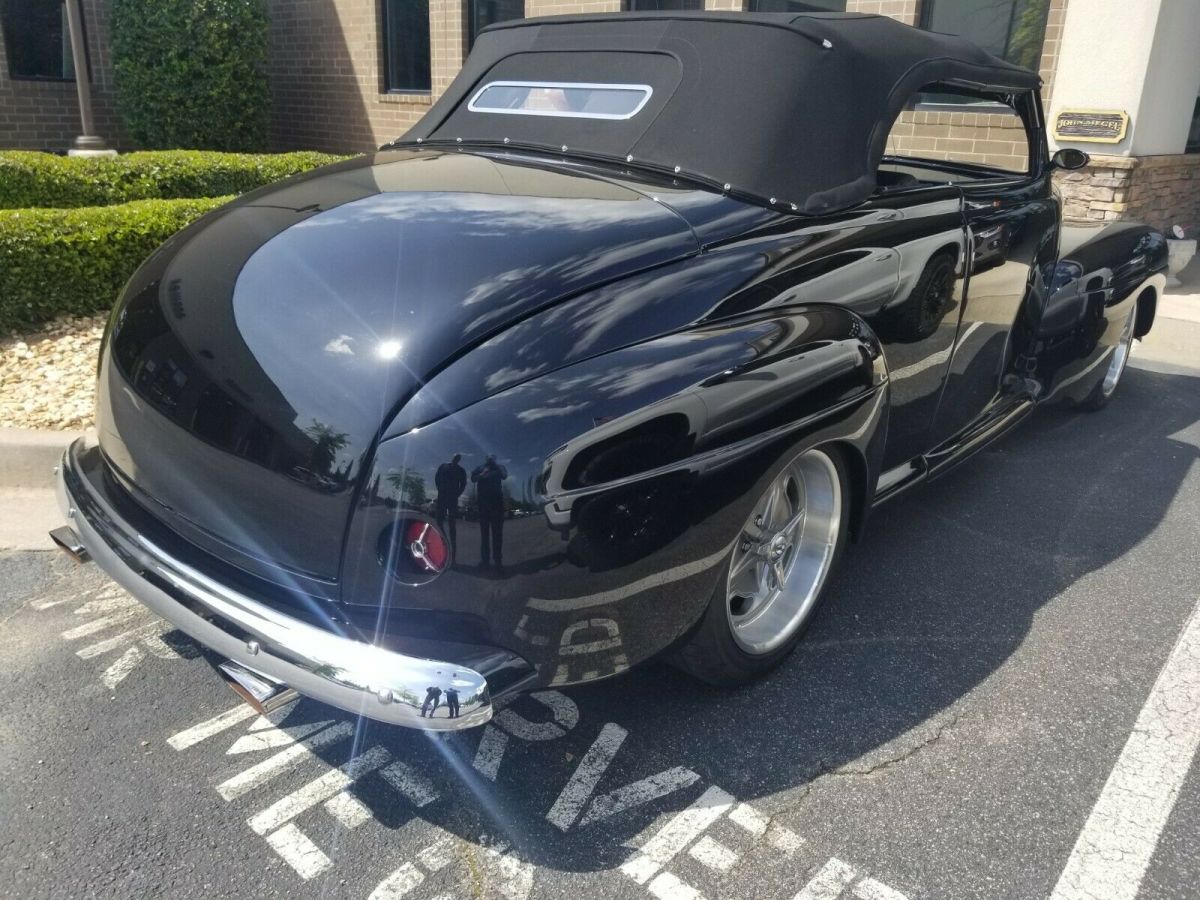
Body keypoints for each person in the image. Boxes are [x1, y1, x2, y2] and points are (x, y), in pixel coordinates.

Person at [471, 455, 509, 571]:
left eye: (493, 457)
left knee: (497, 535)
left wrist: (496, 467)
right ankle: (485, 561)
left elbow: (504, 476)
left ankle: (498, 562)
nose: (490, 458)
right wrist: (482, 474)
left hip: (497, 504)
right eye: (489, 457)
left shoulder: (499, 467)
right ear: (485, 459)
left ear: (495, 459)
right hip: (483, 504)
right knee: (485, 535)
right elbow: (473, 479)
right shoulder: (480, 468)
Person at [434, 453, 467, 556]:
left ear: (459, 460)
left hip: (452, 498)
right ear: (452, 457)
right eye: (455, 457)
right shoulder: (443, 466)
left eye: (458, 458)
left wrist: (457, 494)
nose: (456, 459)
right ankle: (443, 541)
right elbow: (437, 477)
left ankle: (453, 553)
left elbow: (463, 484)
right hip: (442, 497)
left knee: (452, 523)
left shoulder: (461, 470)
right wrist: (440, 489)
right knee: (439, 520)